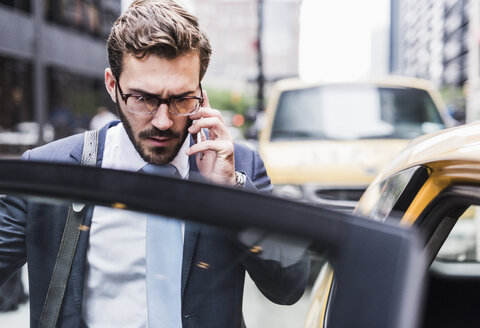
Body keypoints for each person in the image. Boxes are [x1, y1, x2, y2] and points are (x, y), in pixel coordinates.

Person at [0, 1, 310, 327]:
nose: (163, 121)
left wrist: (232, 190)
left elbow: (289, 286)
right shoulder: (51, 170)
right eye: (144, 99)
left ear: (201, 93)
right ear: (111, 85)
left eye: (181, 99)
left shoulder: (239, 166)